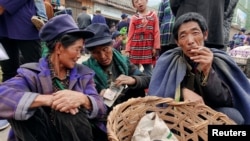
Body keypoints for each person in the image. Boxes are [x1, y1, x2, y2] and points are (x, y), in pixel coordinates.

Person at [0, 14, 107, 141]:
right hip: (41, 135)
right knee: (23, 110)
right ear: (59, 47)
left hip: (74, 136)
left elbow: (101, 107)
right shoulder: (31, 74)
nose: (79, 55)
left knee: (68, 112)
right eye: (77, 49)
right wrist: (49, 100)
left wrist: (83, 99)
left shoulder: (84, 75)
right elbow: (3, 96)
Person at [148, 12, 250, 124]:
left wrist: (207, 72)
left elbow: (225, 101)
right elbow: (158, 96)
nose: (190, 41)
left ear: (205, 35)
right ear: (177, 42)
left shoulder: (219, 59)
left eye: (195, 33)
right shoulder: (168, 60)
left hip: (208, 113)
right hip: (178, 115)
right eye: (183, 36)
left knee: (234, 116)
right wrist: (182, 92)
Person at [83, 23, 150, 115]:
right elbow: (84, 95)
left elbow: (147, 79)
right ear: (91, 53)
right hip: (105, 111)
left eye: (105, 49)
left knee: (137, 89)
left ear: (112, 45)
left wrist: (133, 80)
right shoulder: (86, 69)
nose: (102, 56)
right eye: (96, 52)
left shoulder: (123, 61)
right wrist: (97, 95)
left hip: (126, 108)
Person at [169, 0, 237, 51]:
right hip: (214, 24)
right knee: (213, 61)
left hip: (188, 15)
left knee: (181, 61)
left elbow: (174, 3)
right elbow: (227, 7)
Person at [125, 0, 160, 77]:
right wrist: (128, 49)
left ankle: (150, 87)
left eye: (141, 0)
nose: (139, 2)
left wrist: (155, 47)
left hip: (148, 47)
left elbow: (156, 32)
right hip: (135, 47)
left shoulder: (153, 15)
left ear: (146, 1)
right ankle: (136, 87)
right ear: (134, 5)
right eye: (136, 1)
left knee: (148, 71)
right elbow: (130, 34)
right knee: (134, 70)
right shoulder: (134, 18)